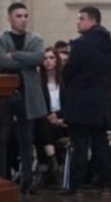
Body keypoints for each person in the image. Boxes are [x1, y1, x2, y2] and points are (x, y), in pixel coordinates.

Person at [61, 6, 111, 194]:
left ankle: (76, 185)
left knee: (80, 145)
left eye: (81, 18)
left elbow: (69, 72)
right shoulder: (108, 43)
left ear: (93, 21)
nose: (77, 21)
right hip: (101, 102)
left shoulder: (81, 44)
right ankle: (108, 184)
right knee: (101, 145)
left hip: (81, 103)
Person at [0, 2, 47, 195]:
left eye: (25, 16)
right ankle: (3, 177)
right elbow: (1, 61)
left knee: (27, 139)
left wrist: (15, 55)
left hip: (28, 94)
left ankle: (26, 181)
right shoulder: (0, 38)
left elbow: (39, 58)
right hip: (7, 94)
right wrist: (25, 59)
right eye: (19, 16)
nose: (23, 20)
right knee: (3, 137)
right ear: (9, 17)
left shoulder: (35, 38)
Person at [35, 47, 66, 187]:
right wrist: (50, 117)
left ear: (57, 60)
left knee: (41, 132)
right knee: (42, 125)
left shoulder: (65, 81)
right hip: (45, 121)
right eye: (45, 58)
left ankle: (46, 169)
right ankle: (53, 164)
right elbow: (38, 105)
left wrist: (59, 117)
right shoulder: (38, 83)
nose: (48, 61)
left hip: (64, 123)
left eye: (51, 58)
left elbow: (71, 105)